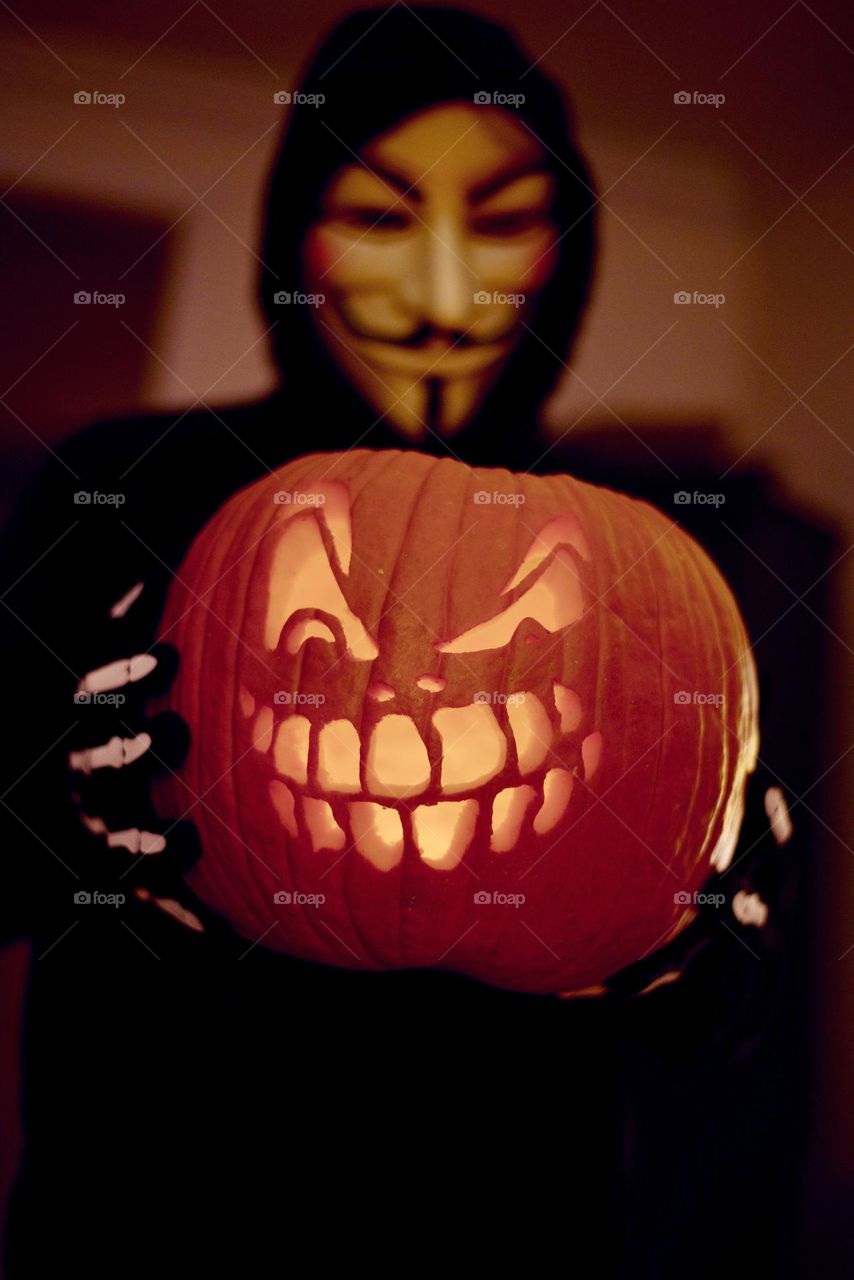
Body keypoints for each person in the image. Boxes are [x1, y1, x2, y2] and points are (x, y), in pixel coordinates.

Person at [1, 7, 824, 1277]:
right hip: (152, 1221)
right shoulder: (128, 487)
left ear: (571, 249)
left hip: (506, 1234)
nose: (446, 299)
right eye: (382, 218)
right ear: (292, 235)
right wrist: (58, 813)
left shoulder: (664, 556)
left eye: (500, 221)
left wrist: (699, 948)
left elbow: (728, 1033)